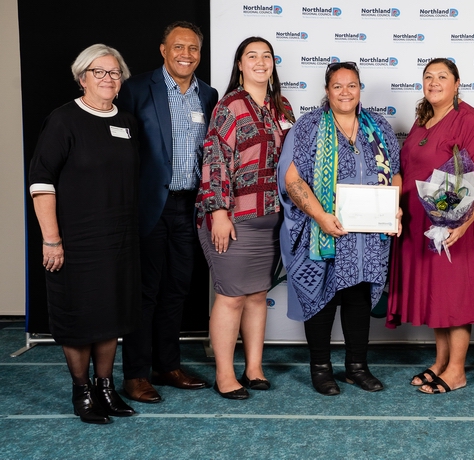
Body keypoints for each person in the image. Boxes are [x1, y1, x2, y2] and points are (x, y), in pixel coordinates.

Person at [29, 44, 139, 424]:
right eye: (99, 72)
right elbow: (41, 182)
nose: (108, 79)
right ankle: (82, 390)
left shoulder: (126, 121)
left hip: (119, 239)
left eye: (114, 73)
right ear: (82, 78)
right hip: (75, 240)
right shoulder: (63, 120)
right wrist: (51, 239)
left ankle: (105, 386)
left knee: (110, 314)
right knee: (79, 318)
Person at [278, 61, 401, 396]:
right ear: (327, 90)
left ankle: (356, 368)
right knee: (320, 298)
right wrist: (319, 216)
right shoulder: (309, 127)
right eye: (337, 86)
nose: (345, 92)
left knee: (359, 299)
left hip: (367, 236)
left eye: (352, 85)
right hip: (323, 229)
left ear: (360, 88)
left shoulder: (378, 125)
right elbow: (292, 179)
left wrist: (395, 209)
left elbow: (396, 172)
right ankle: (321, 369)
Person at [117, 21, 218, 403]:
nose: (186, 55)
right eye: (178, 47)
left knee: (177, 289)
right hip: (148, 206)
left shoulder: (208, 96)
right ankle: (136, 374)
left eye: (193, 48)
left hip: (189, 207)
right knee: (145, 292)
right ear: (163, 49)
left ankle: (167, 364)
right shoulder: (136, 89)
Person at [387, 58, 474, 394]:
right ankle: (441, 362)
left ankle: (457, 371)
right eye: (428, 77)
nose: (434, 82)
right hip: (424, 224)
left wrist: (463, 225)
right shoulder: (423, 119)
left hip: (458, 226)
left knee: (456, 297)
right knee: (439, 296)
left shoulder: (471, 122)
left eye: (442, 77)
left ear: (457, 82)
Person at [197, 37, 295, 400]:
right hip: (234, 217)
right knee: (231, 297)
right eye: (251, 56)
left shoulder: (281, 106)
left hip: (272, 218)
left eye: (266, 56)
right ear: (239, 64)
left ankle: (253, 368)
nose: (260, 61)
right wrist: (219, 213)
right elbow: (215, 161)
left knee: (256, 296)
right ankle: (225, 374)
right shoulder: (229, 106)